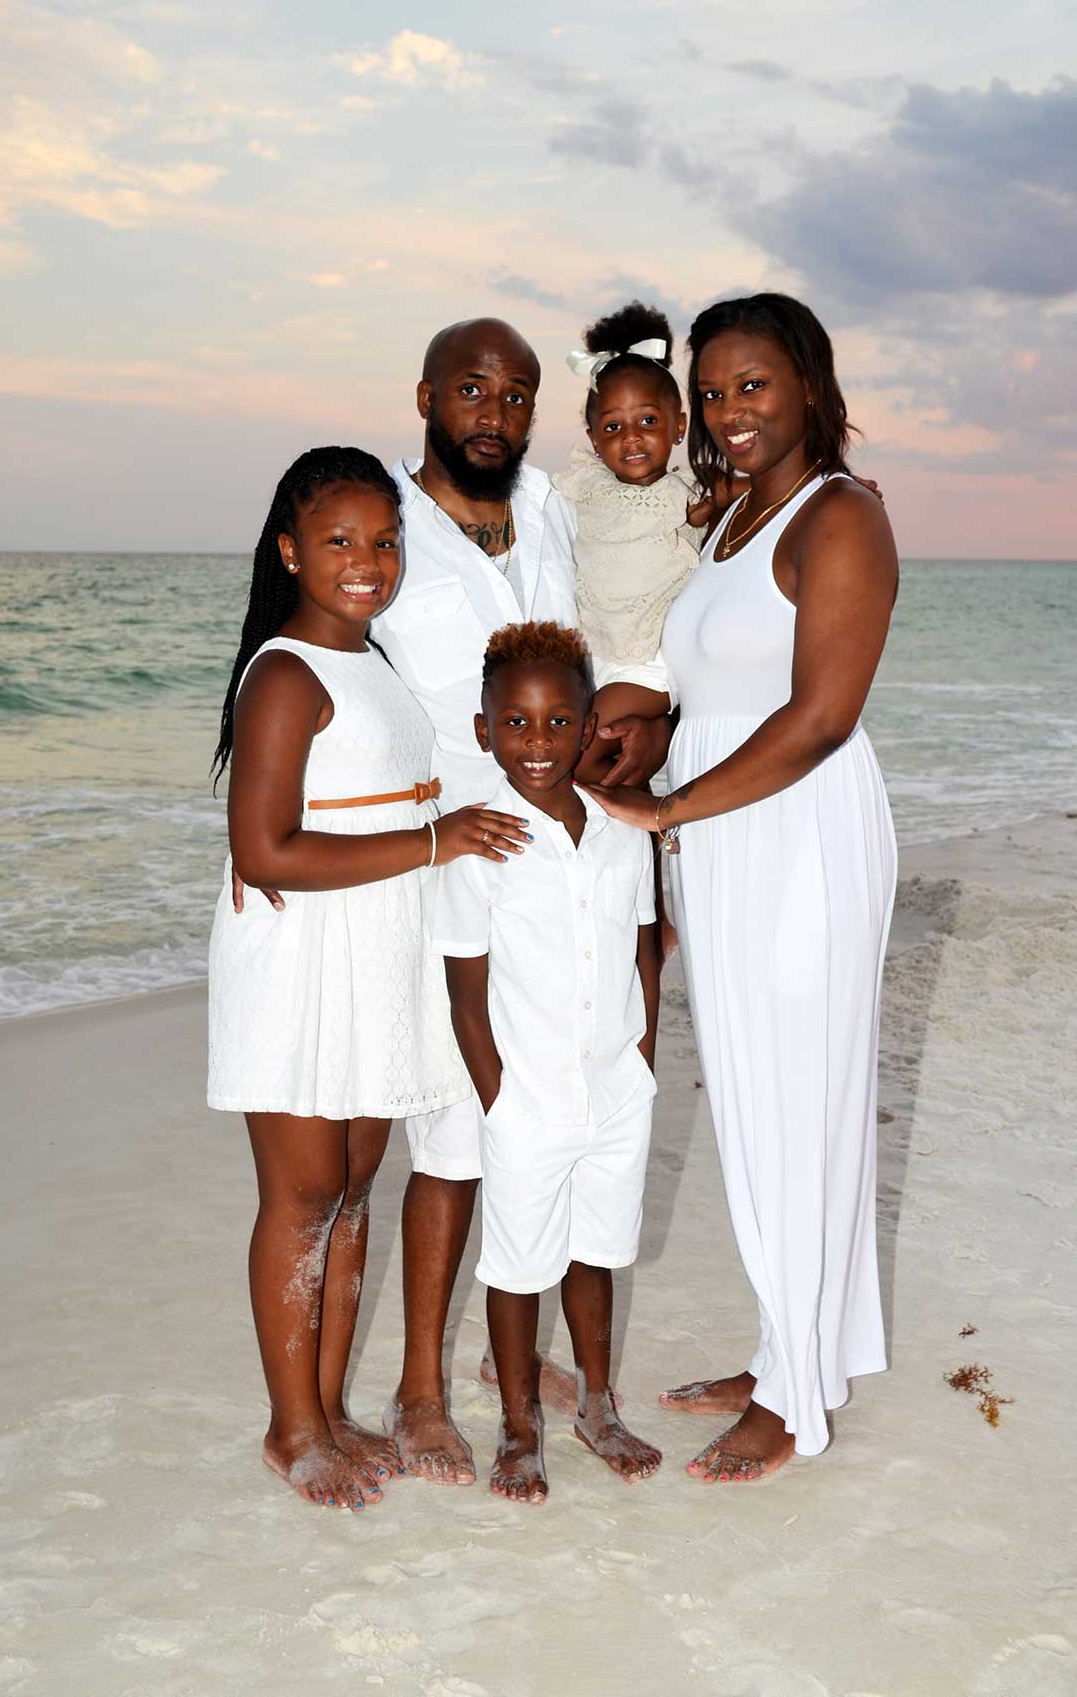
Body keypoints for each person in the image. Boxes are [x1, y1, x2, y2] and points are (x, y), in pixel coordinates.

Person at [235, 321, 674, 1486]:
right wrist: (267, 833)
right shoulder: (391, 528)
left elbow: (628, 608)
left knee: (554, 1105)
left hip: (559, 856)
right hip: (435, 868)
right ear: (427, 396)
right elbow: (308, 665)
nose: (495, 411)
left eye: (517, 394)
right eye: (473, 389)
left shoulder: (552, 509)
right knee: (457, 1128)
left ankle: (506, 1354)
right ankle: (420, 1390)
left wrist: (642, 738)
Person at [582, 293, 899, 1483]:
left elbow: (819, 717)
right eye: (710, 392)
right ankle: (790, 1354)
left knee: (797, 1105)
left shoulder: (841, 517)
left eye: (752, 385)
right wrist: (643, 758)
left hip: (799, 832)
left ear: (809, 382)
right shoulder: (727, 519)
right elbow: (707, 691)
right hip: (725, 834)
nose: (728, 412)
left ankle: (797, 1401)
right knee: (762, 1105)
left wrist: (666, 810)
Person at [207, 447, 530, 1510]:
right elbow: (264, 851)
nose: (366, 561)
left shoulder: (373, 660)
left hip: (376, 950)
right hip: (303, 958)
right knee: (302, 1197)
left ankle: (330, 1406)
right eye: (339, 540)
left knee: (351, 1191)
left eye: (385, 541)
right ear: (289, 552)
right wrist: (435, 841)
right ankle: (290, 1429)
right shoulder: (286, 672)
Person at [435, 622, 663, 1504]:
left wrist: (642, 1061)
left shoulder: (623, 831)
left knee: (597, 1253)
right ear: (484, 729)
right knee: (518, 1266)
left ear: (589, 725)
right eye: (517, 724)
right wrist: (501, 1101)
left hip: (616, 1091)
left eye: (560, 722)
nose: (539, 742)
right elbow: (466, 992)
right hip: (526, 1099)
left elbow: (644, 952)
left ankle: (598, 1409)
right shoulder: (481, 846)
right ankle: (520, 1426)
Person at [553, 301, 706, 785]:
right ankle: (638, 821)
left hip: (651, 664)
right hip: (594, 655)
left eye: (648, 422)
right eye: (613, 427)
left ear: (679, 426)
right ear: (595, 440)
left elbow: (758, 491)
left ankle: (647, 814)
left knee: (579, 753)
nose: (632, 438)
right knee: (603, 760)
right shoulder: (587, 486)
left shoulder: (688, 496)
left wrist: (823, 483)